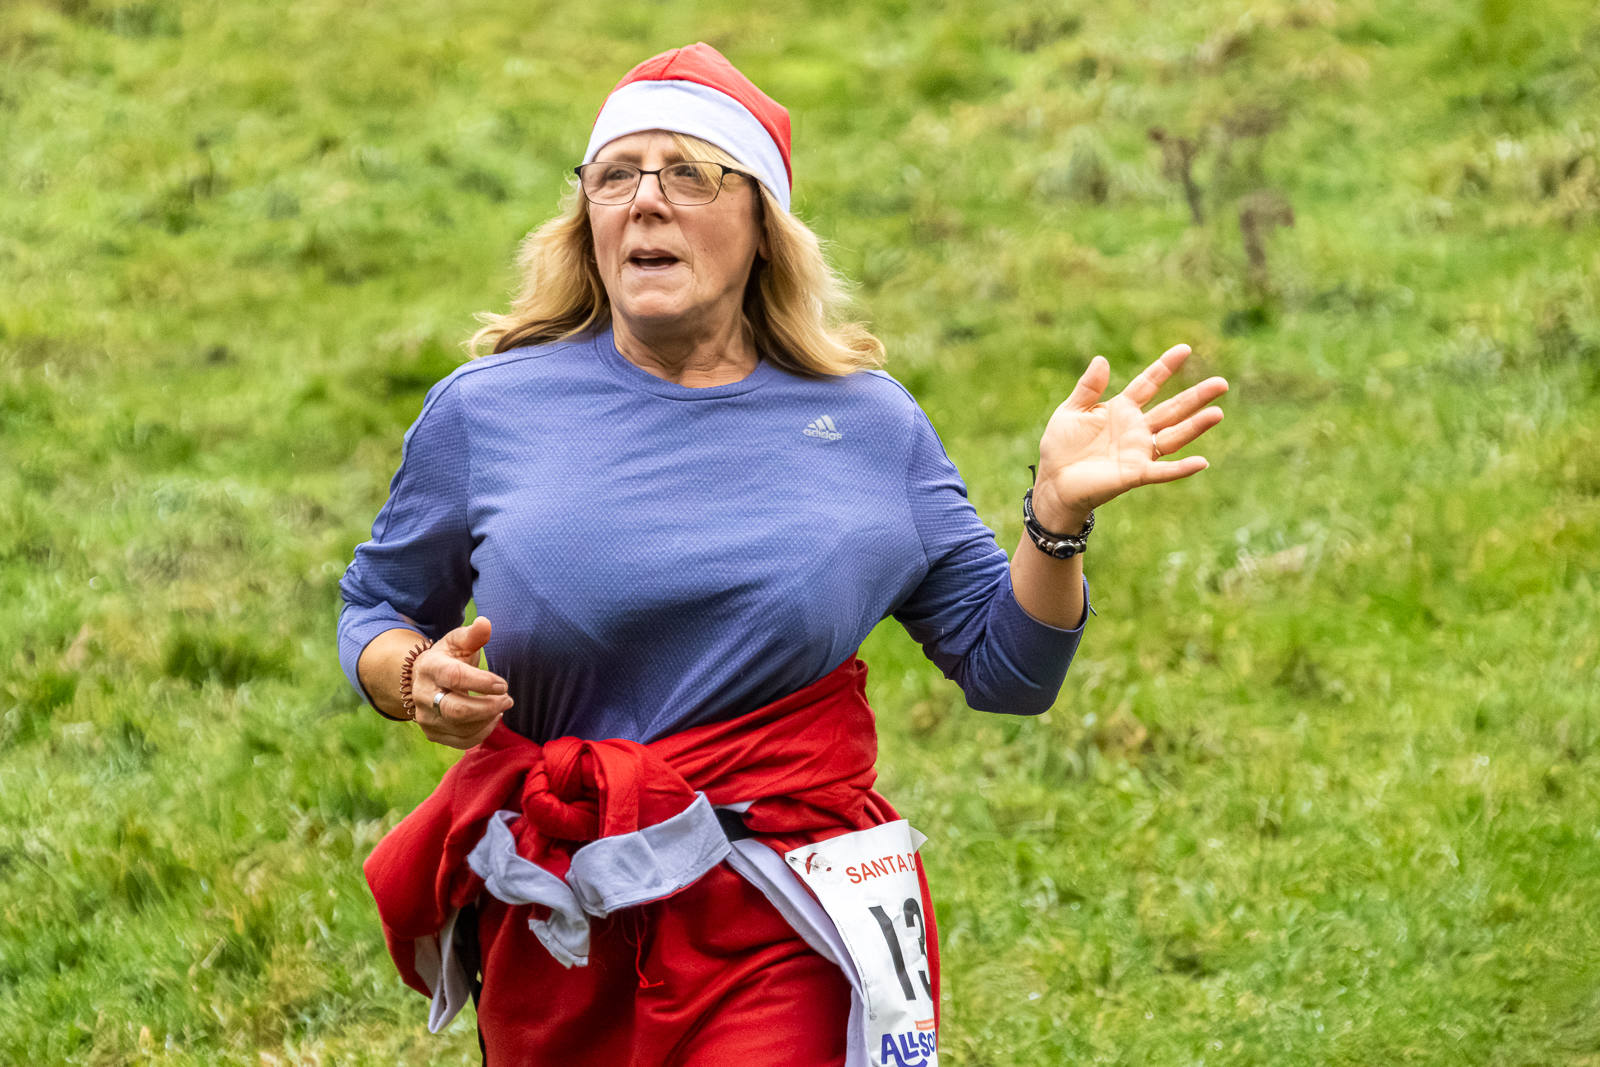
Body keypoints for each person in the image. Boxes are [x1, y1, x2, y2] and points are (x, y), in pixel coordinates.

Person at [338, 42, 1226, 1066]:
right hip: (565, 905)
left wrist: (1054, 516)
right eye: (615, 175)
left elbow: (1010, 671)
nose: (646, 201)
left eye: (690, 173)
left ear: (762, 224)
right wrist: (414, 673)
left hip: (782, 900)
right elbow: (376, 608)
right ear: (586, 219)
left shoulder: (871, 426)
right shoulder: (486, 412)